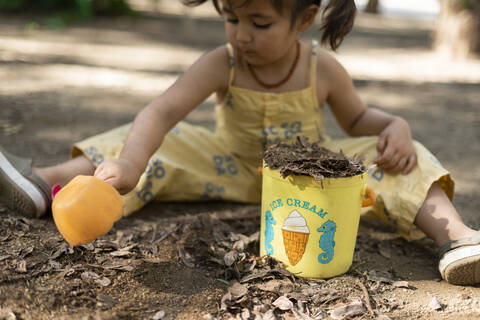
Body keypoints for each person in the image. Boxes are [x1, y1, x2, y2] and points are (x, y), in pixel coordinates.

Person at [0, 0, 479, 285]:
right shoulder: (222, 62)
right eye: (231, 17)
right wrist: (130, 162)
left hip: (311, 179)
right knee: (160, 140)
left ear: (304, 18)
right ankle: (49, 183)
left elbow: (356, 120)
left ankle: (454, 239)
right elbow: (163, 110)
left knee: (401, 160)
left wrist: (395, 124)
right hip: (225, 165)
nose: (241, 34)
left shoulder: (322, 69)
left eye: (259, 22)